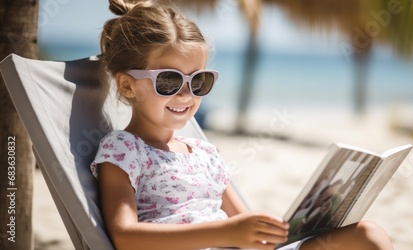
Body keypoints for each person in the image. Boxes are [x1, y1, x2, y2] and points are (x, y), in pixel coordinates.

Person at [91, 0, 394, 249]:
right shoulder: (123, 149)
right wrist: (226, 233)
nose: (186, 94)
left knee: (367, 235)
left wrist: (310, 216)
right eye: (169, 81)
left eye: (199, 80)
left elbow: (248, 230)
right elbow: (124, 236)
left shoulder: (203, 152)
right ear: (128, 86)